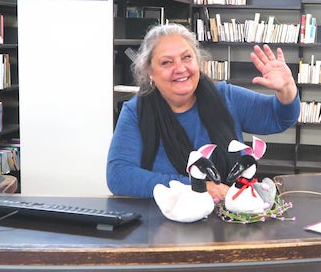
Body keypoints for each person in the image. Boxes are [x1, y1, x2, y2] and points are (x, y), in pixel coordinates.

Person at [106, 23, 300, 201]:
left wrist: (287, 89)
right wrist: (196, 187)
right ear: (149, 71)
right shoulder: (136, 112)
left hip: (231, 218)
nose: (180, 68)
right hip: (166, 226)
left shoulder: (225, 97)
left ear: (197, 61)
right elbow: (119, 176)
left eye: (186, 57)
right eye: (166, 62)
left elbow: (278, 118)